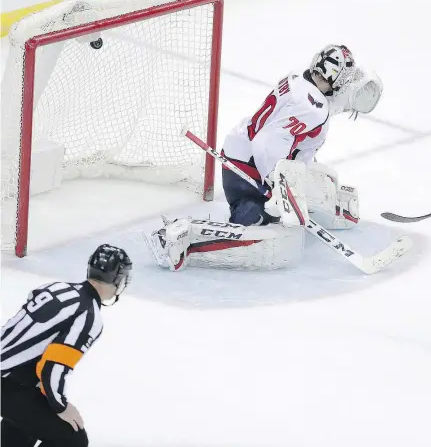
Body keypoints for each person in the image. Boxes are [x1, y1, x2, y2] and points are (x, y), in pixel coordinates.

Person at [144, 44, 383, 271]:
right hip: (248, 169)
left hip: (247, 155)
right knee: (278, 239)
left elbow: (290, 146)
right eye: (346, 79)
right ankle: (185, 238)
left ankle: (319, 208)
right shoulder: (313, 107)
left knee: (317, 181)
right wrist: (278, 184)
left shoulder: (302, 80)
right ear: (336, 79)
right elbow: (266, 142)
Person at [1, 244, 132, 447]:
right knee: (72, 438)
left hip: (10, 381)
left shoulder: (55, 287)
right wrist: (61, 406)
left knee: (28, 418)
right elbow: (51, 368)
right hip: (8, 385)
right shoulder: (88, 317)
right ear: (118, 280)